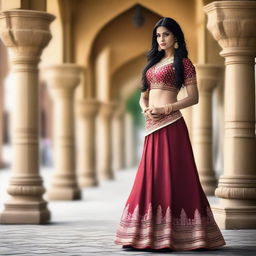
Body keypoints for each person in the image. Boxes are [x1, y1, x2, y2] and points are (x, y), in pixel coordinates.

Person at [114, 17, 226, 251]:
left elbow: (193, 98)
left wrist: (165, 109)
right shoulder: (152, 65)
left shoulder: (183, 63)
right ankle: (145, 234)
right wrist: (146, 109)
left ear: (176, 37)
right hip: (152, 126)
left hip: (171, 124)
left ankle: (177, 235)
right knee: (150, 176)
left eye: (165, 34)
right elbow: (144, 94)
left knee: (174, 176)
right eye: (158, 35)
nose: (161, 39)